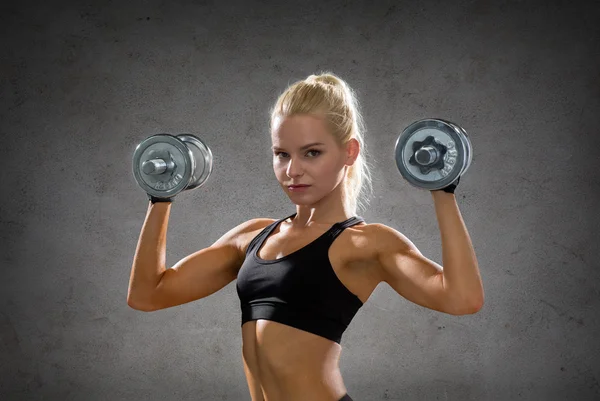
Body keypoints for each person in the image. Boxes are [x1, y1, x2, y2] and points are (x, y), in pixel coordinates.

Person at [127, 72, 484, 401]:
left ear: (350, 151)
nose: (292, 171)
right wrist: (161, 197)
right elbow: (148, 294)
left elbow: (462, 298)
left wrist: (442, 190)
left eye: (312, 153)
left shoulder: (365, 244)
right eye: (282, 155)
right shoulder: (253, 236)